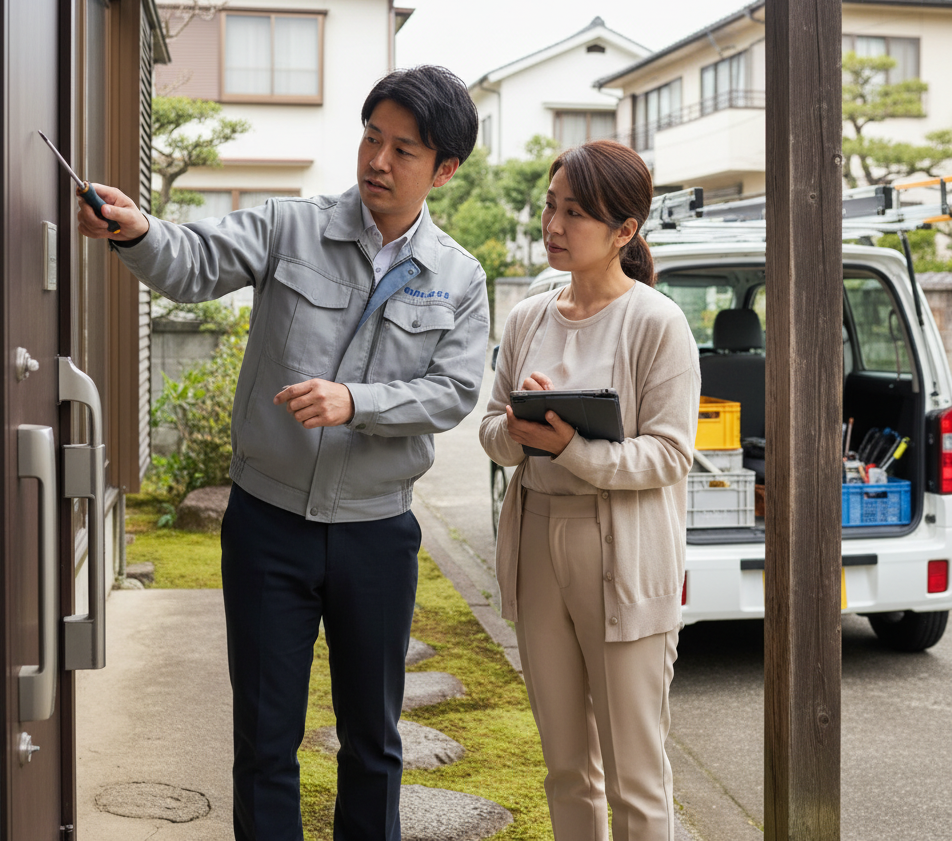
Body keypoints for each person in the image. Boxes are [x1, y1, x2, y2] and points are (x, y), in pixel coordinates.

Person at [77, 66, 490, 841]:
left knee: (373, 738)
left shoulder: (458, 278)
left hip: (377, 532)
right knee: (266, 739)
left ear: (444, 170)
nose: (377, 160)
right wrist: (137, 231)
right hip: (269, 525)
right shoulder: (288, 226)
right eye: (372, 137)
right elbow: (193, 260)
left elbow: (454, 391)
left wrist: (355, 403)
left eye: (404, 150)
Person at [479, 139, 700, 841]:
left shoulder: (656, 322)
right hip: (537, 535)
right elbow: (489, 434)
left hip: (622, 547)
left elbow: (669, 455)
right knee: (565, 766)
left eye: (574, 213)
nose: (553, 225)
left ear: (625, 231)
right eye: (550, 206)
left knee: (637, 774)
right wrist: (522, 428)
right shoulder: (527, 318)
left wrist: (572, 446)